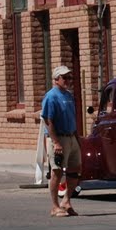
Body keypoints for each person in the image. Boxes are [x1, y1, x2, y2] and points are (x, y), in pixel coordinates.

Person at [39, 65, 82, 218]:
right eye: (65, 78)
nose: (68, 81)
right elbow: (48, 120)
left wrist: (77, 138)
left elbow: (72, 119)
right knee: (57, 172)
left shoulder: (69, 96)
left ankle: (66, 201)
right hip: (59, 139)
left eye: (70, 78)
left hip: (71, 137)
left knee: (75, 169)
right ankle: (54, 206)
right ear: (56, 79)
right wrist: (56, 142)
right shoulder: (51, 96)